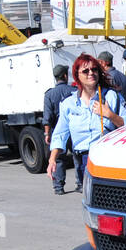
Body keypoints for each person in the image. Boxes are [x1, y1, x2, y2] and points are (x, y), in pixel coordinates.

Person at [47, 54, 126, 186]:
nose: (91, 73)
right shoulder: (69, 103)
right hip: (84, 162)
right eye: (85, 71)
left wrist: (110, 115)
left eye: (94, 69)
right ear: (77, 75)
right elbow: (60, 134)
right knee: (89, 204)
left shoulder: (111, 96)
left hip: (107, 159)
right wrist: (52, 160)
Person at [43, 64, 78, 195]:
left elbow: (47, 116)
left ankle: (58, 187)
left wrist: (47, 133)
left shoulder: (49, 94)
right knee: (77, 156)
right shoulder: (74, 90)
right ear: (64, 76)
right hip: (74, 129)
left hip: (58, 130)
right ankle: (80, 184)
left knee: (58, 159)